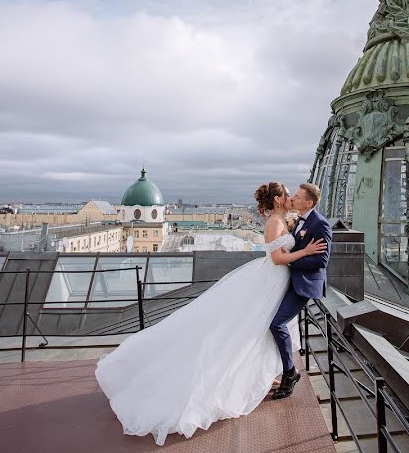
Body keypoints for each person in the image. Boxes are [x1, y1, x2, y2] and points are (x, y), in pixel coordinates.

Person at [95, 181, 327, 446]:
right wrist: (305, 251)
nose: (291, 198)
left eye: (294, 196)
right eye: (287, 195)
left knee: (258, 329)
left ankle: (270, 373)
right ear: (277, 200)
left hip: (275, 282)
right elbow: (277, 259)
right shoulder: (275, 223)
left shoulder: (286, 221)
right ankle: (273, 373)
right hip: (271, 279)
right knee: (249, 328)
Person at [270, 183, 332, 399]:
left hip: (304, 284)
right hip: (291, 280)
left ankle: (290, 373)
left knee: (277, 324)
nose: (293, 199)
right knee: (271, 322)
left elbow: (321, 260)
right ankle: (280, 371)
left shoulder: (320, 224)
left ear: (309, 202)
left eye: (297, 197)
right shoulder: (297, 221)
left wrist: (292, 263)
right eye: (292, 196)